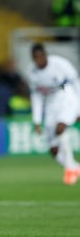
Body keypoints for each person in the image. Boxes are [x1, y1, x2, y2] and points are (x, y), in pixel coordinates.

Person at [27, 43, 80, 185]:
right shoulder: (33, 73)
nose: (37, 60)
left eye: (39, 56)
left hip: (67, 97)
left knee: (60, 127)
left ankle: (70, 170)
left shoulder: (60, 64)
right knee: (54, 150)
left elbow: (76, 83)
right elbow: (36, 97)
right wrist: (37, 121)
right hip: (50, 105)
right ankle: (75, 167)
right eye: (34, 58)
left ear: (45, 55)